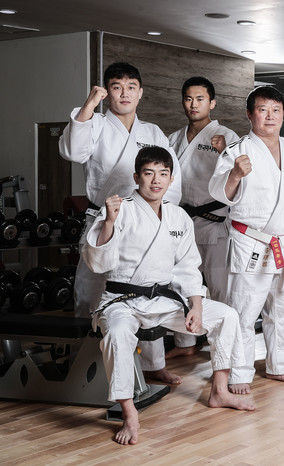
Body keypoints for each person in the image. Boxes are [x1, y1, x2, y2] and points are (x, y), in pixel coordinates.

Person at [82, 147, 254, 446]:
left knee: (226, 315)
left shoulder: (177, 216)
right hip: (121, 301)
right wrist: (108, 221)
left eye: (163, 174)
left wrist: (195, 305)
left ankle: (220, 390)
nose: (156, 180)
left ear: (171, 179)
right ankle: (129, 412)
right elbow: (97, 262)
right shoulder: (119, 208)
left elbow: (188, 266)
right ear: (136, 177)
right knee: (118, 334)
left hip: (162, 299)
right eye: (149, 173)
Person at [59, 61, 182, 385]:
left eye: (130, 87)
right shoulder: (95, 123)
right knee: (91, 290)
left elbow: (173, 178)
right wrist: (89, 104)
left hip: (144, 222)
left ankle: (153, 364)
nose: (124, 93)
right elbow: (72, 150)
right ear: (107, 92)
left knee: (148, 289)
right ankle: (83, 365)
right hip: (103, 217)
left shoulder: (152, 132)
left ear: (140, 93)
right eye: (116, 87)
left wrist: (161, 216)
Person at [209, 86, 284, 394]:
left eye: (275, 110)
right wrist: (234, 175)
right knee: (243, 311)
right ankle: (239, 373)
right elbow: (217, 192)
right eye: (262, 110)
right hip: (251, 243)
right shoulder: (237, 150)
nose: (270, 116)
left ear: (283, 114)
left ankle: (281, 366)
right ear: (249, 114)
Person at [166, 76, 239, 359]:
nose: (193, 104)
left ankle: (222, 348)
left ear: (212, 103)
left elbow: (240, 177)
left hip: (215, 220)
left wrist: (225, 152)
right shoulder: (173, 139)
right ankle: (185, 342)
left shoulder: (226, 136)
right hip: (182, 221)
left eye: (200, 99)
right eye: (188, 99)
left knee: (219, 286)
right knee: (182, 283)